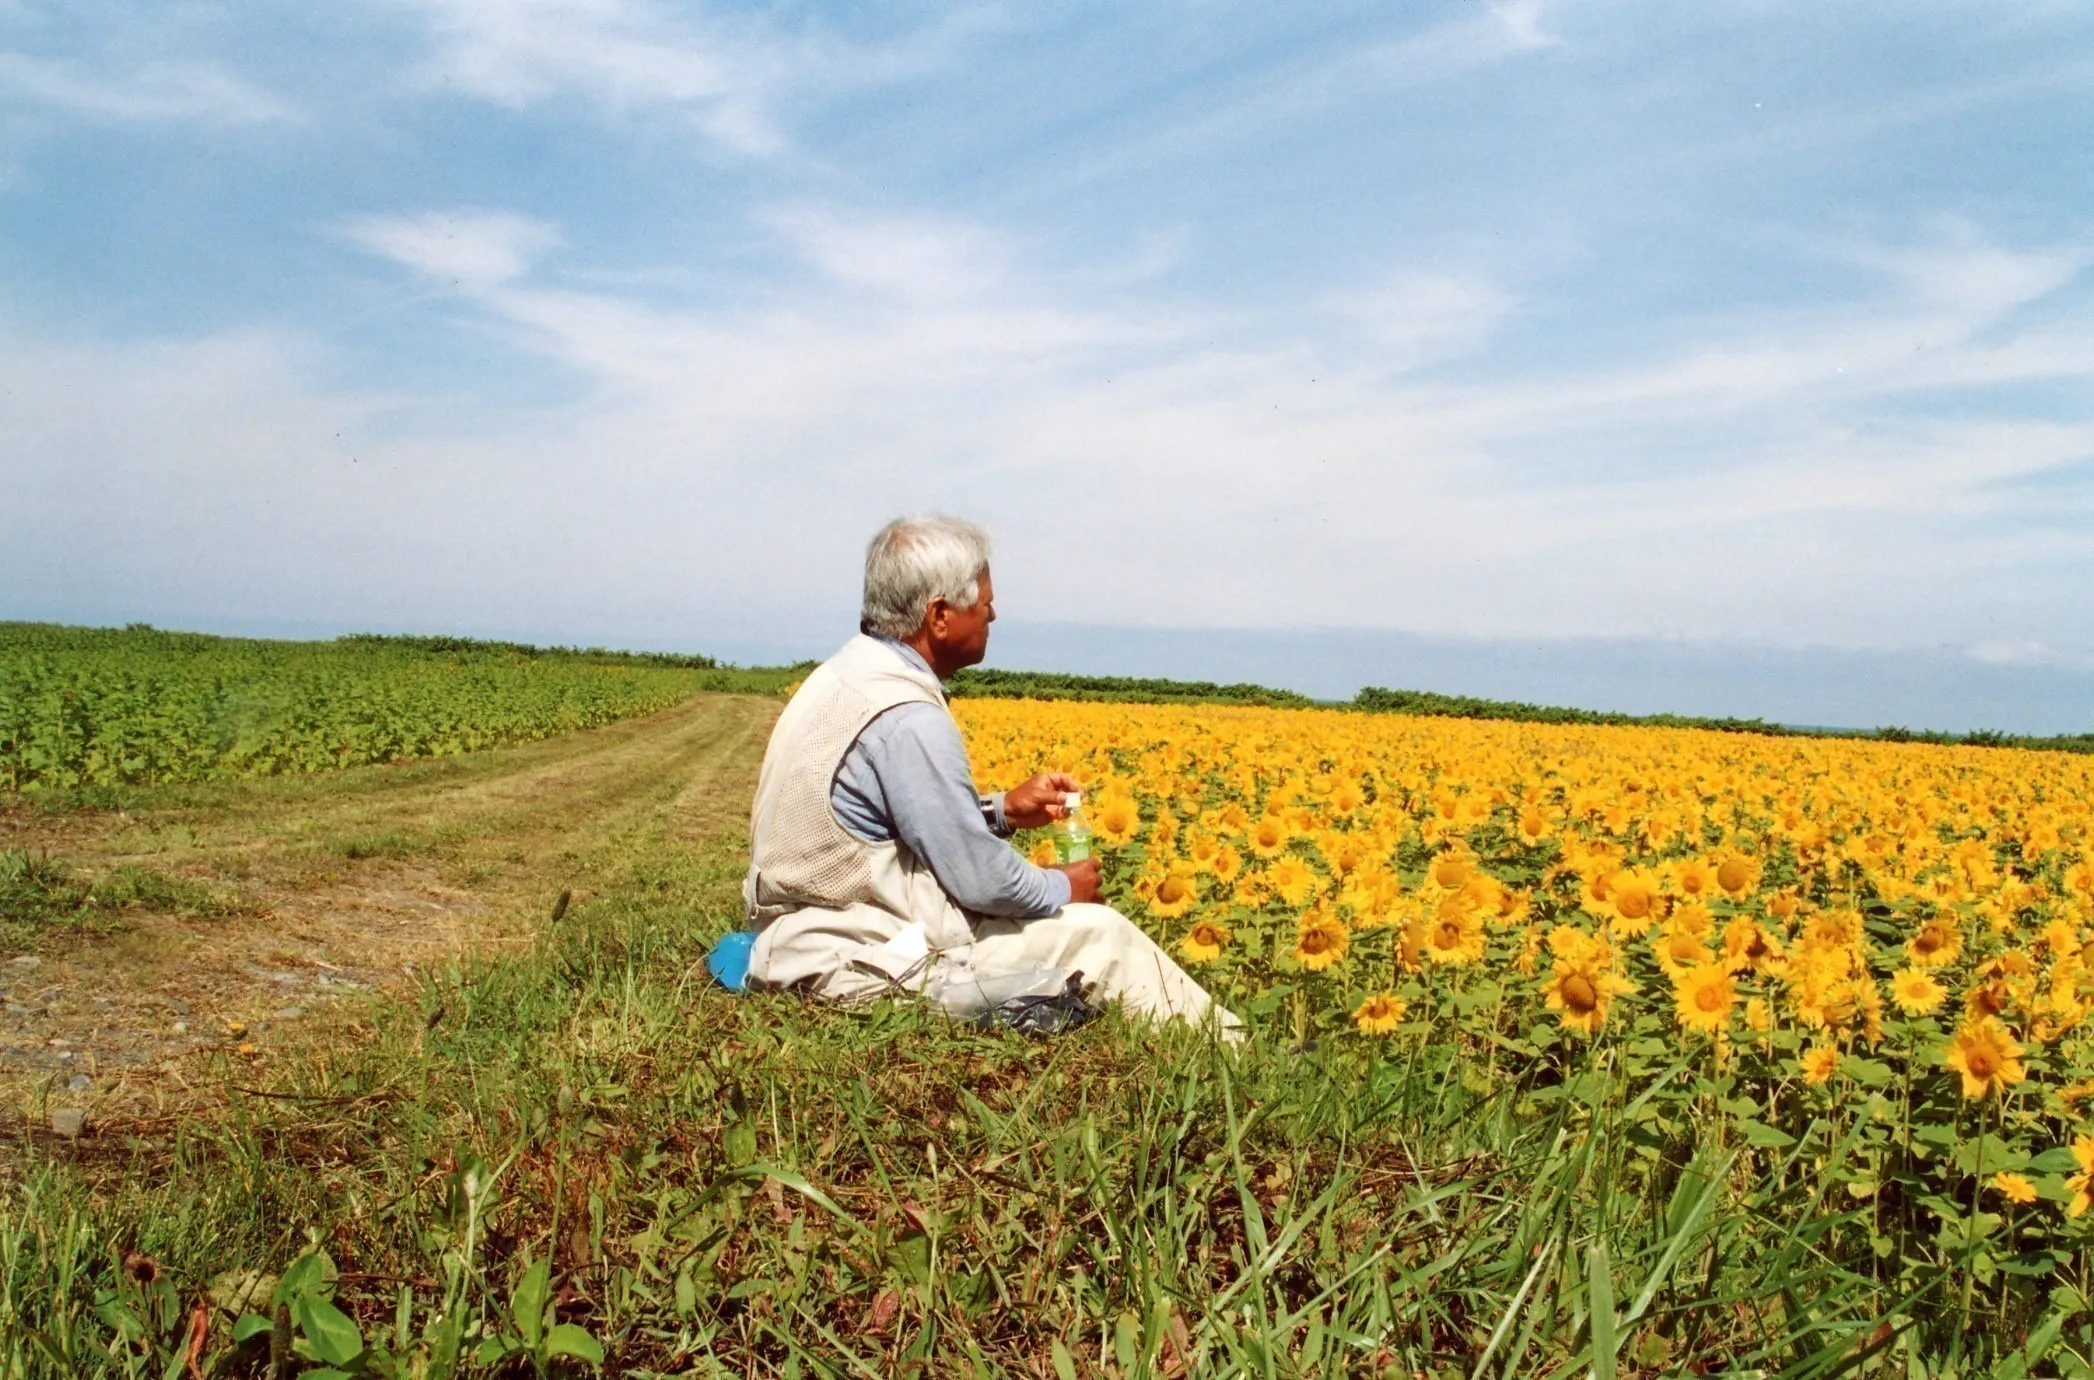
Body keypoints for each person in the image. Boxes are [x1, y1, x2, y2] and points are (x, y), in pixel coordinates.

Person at [742, 514, 1239, 1035]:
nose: (993, 614)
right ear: (939, 616)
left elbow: (895, 822)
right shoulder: (908, 717)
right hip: (856, 948)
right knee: (1101, 935)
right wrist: (1063, 886)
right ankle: (1235, 1052)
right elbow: (979, 880)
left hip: (801, 927)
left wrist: (1001, 811)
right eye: (983, 603)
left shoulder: (847, 675)